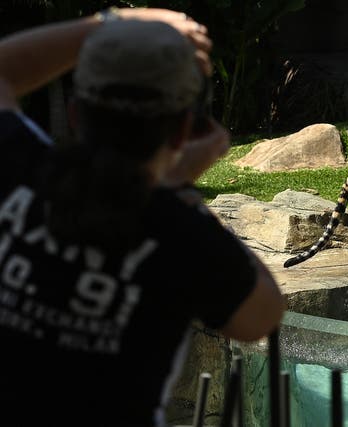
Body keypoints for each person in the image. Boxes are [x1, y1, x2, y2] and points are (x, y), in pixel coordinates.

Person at [0, 7, 286, 427]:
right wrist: (177, 190)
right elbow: (262, 314)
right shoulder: (183, 237)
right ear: (182, 130)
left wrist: (110, 23)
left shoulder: (18, 165)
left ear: (76, 114)